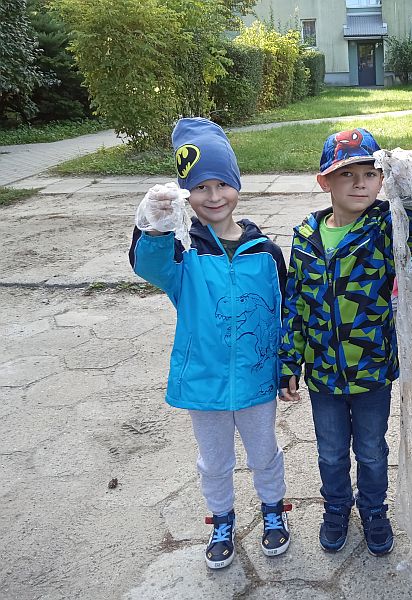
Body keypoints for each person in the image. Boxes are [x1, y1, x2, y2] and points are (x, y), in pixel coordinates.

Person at [129, 117, 290, 570]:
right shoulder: (182, 253)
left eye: (222, 183)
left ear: (237, 184)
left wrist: (287, 366)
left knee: (265, 453)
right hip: (205, 382)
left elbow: (285, 313)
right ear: (187, 194)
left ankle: (273, 510)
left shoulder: (266, 251)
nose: (214, 196)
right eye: (200, 187)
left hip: (257, 381)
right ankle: (221, 519)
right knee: (214, 460)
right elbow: (148, 265)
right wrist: (155, 226)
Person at [279, 128, 412, 556]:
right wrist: (288, 363)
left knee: (371, 451)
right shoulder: (305, 238)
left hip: (372, 372)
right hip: (323, 375)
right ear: (324, 181)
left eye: (371, 174)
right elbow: (294, 304)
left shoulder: (385, 229)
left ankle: (373, 510)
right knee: (330, 453)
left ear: (382, 180)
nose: (360, 183)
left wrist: (409, 182)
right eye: (347, 174)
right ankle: (336, 508)